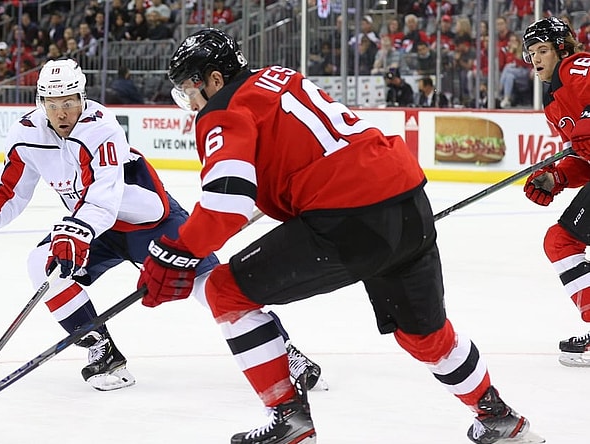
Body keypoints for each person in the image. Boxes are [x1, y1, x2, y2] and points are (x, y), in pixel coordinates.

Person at [139, 28, 543, 444]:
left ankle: (287, 418)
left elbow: (226, 204)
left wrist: (178, 250)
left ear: (215, 79)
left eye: (190, 88)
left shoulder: (222, 110)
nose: (190, 102)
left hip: (349, 216)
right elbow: (295, 161)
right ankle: (496, 416)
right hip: (406, 200)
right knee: (423, 332)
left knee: (225, 291)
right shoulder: (280, 77)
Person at [0, 59, 326, 392]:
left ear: (82, 97)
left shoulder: (100, 125)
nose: (61, 113)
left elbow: (104, 196)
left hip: (149, 223)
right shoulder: (26, 134)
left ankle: (283, 352)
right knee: (41, 265)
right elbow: (10, 191)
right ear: (40, 102)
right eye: (53, 104)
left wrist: (75, 231)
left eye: (70, 102)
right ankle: (102, 351)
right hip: (94, 229)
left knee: (214, 288)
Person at [521, 16, 590, 368]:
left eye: (543, 49)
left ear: (562, 48)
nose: (536, 58)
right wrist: (556, 178)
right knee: (560, 242)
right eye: (531, 52)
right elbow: (583, 159)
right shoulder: (553, 104)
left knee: (561, 242)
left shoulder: (574, 67)